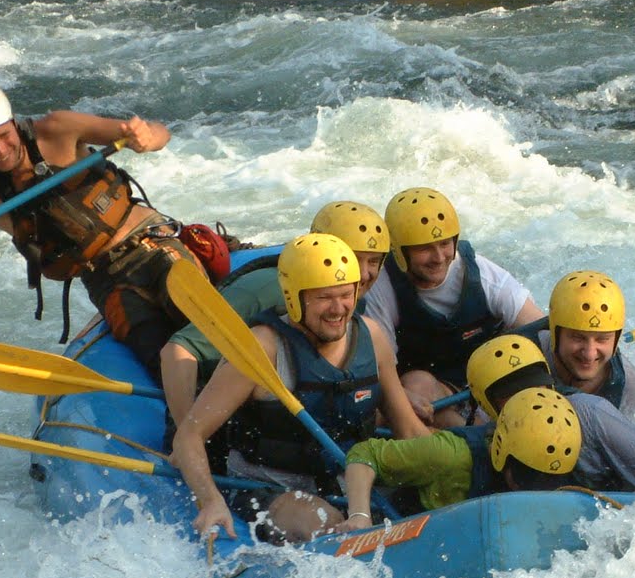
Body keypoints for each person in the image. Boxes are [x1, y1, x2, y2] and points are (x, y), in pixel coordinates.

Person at [0, 82, 194, 370]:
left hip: (150, 242)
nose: (0, 149)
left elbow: (160, 132)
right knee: (156, 353)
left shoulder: (59, 128)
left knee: (192, 317)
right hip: (106, 279)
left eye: (4, 135)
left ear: (14, 122)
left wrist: (146, 139)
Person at [170, 232, 428, 543]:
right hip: (269, 488)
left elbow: (409, 431)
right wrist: (211, 500)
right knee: (326, 523)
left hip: (350, 481)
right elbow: (189, 435)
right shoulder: (262, 349)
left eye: (346, 294)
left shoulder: (371, 337)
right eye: (324, 297)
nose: (338, 309)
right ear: (294, 298)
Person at [157, 200, 390, 425]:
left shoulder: (346, 301)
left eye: (373, 261)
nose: (364, 273)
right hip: (226, 405)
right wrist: (188, 432)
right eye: (353, 258)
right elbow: (177, 350)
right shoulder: (265, 289)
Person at [360, 187, 542, 427]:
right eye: (425, 248)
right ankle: (481, 442)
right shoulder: (382, 288)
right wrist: (403, 399)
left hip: (495, 385)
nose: (439, 257)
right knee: (415, 384)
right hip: (437, 398)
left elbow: (541, 331)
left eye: (445, 244)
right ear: (399, 250)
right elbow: (384, 374)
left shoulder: (483, 275)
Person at [339, 387, 582, 527]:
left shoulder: (562, 463)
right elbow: (363, 453)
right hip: (413, 527)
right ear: (500, 451)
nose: (536, 494)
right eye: (528, 477)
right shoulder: (450, 455)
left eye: (549, 482)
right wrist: (359, 515)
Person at [465, 334, 635, 492]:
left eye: (537, 385)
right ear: (488, 405)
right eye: (514, 394)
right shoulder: (492, 439)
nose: (532, 398)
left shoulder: (590, 413)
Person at [531, 270, 635, 418]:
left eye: (602, 339)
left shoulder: (627, 383)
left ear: (616, 340)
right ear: (555, 334)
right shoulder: (526, 362)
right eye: (578, 337)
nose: (590, 354)